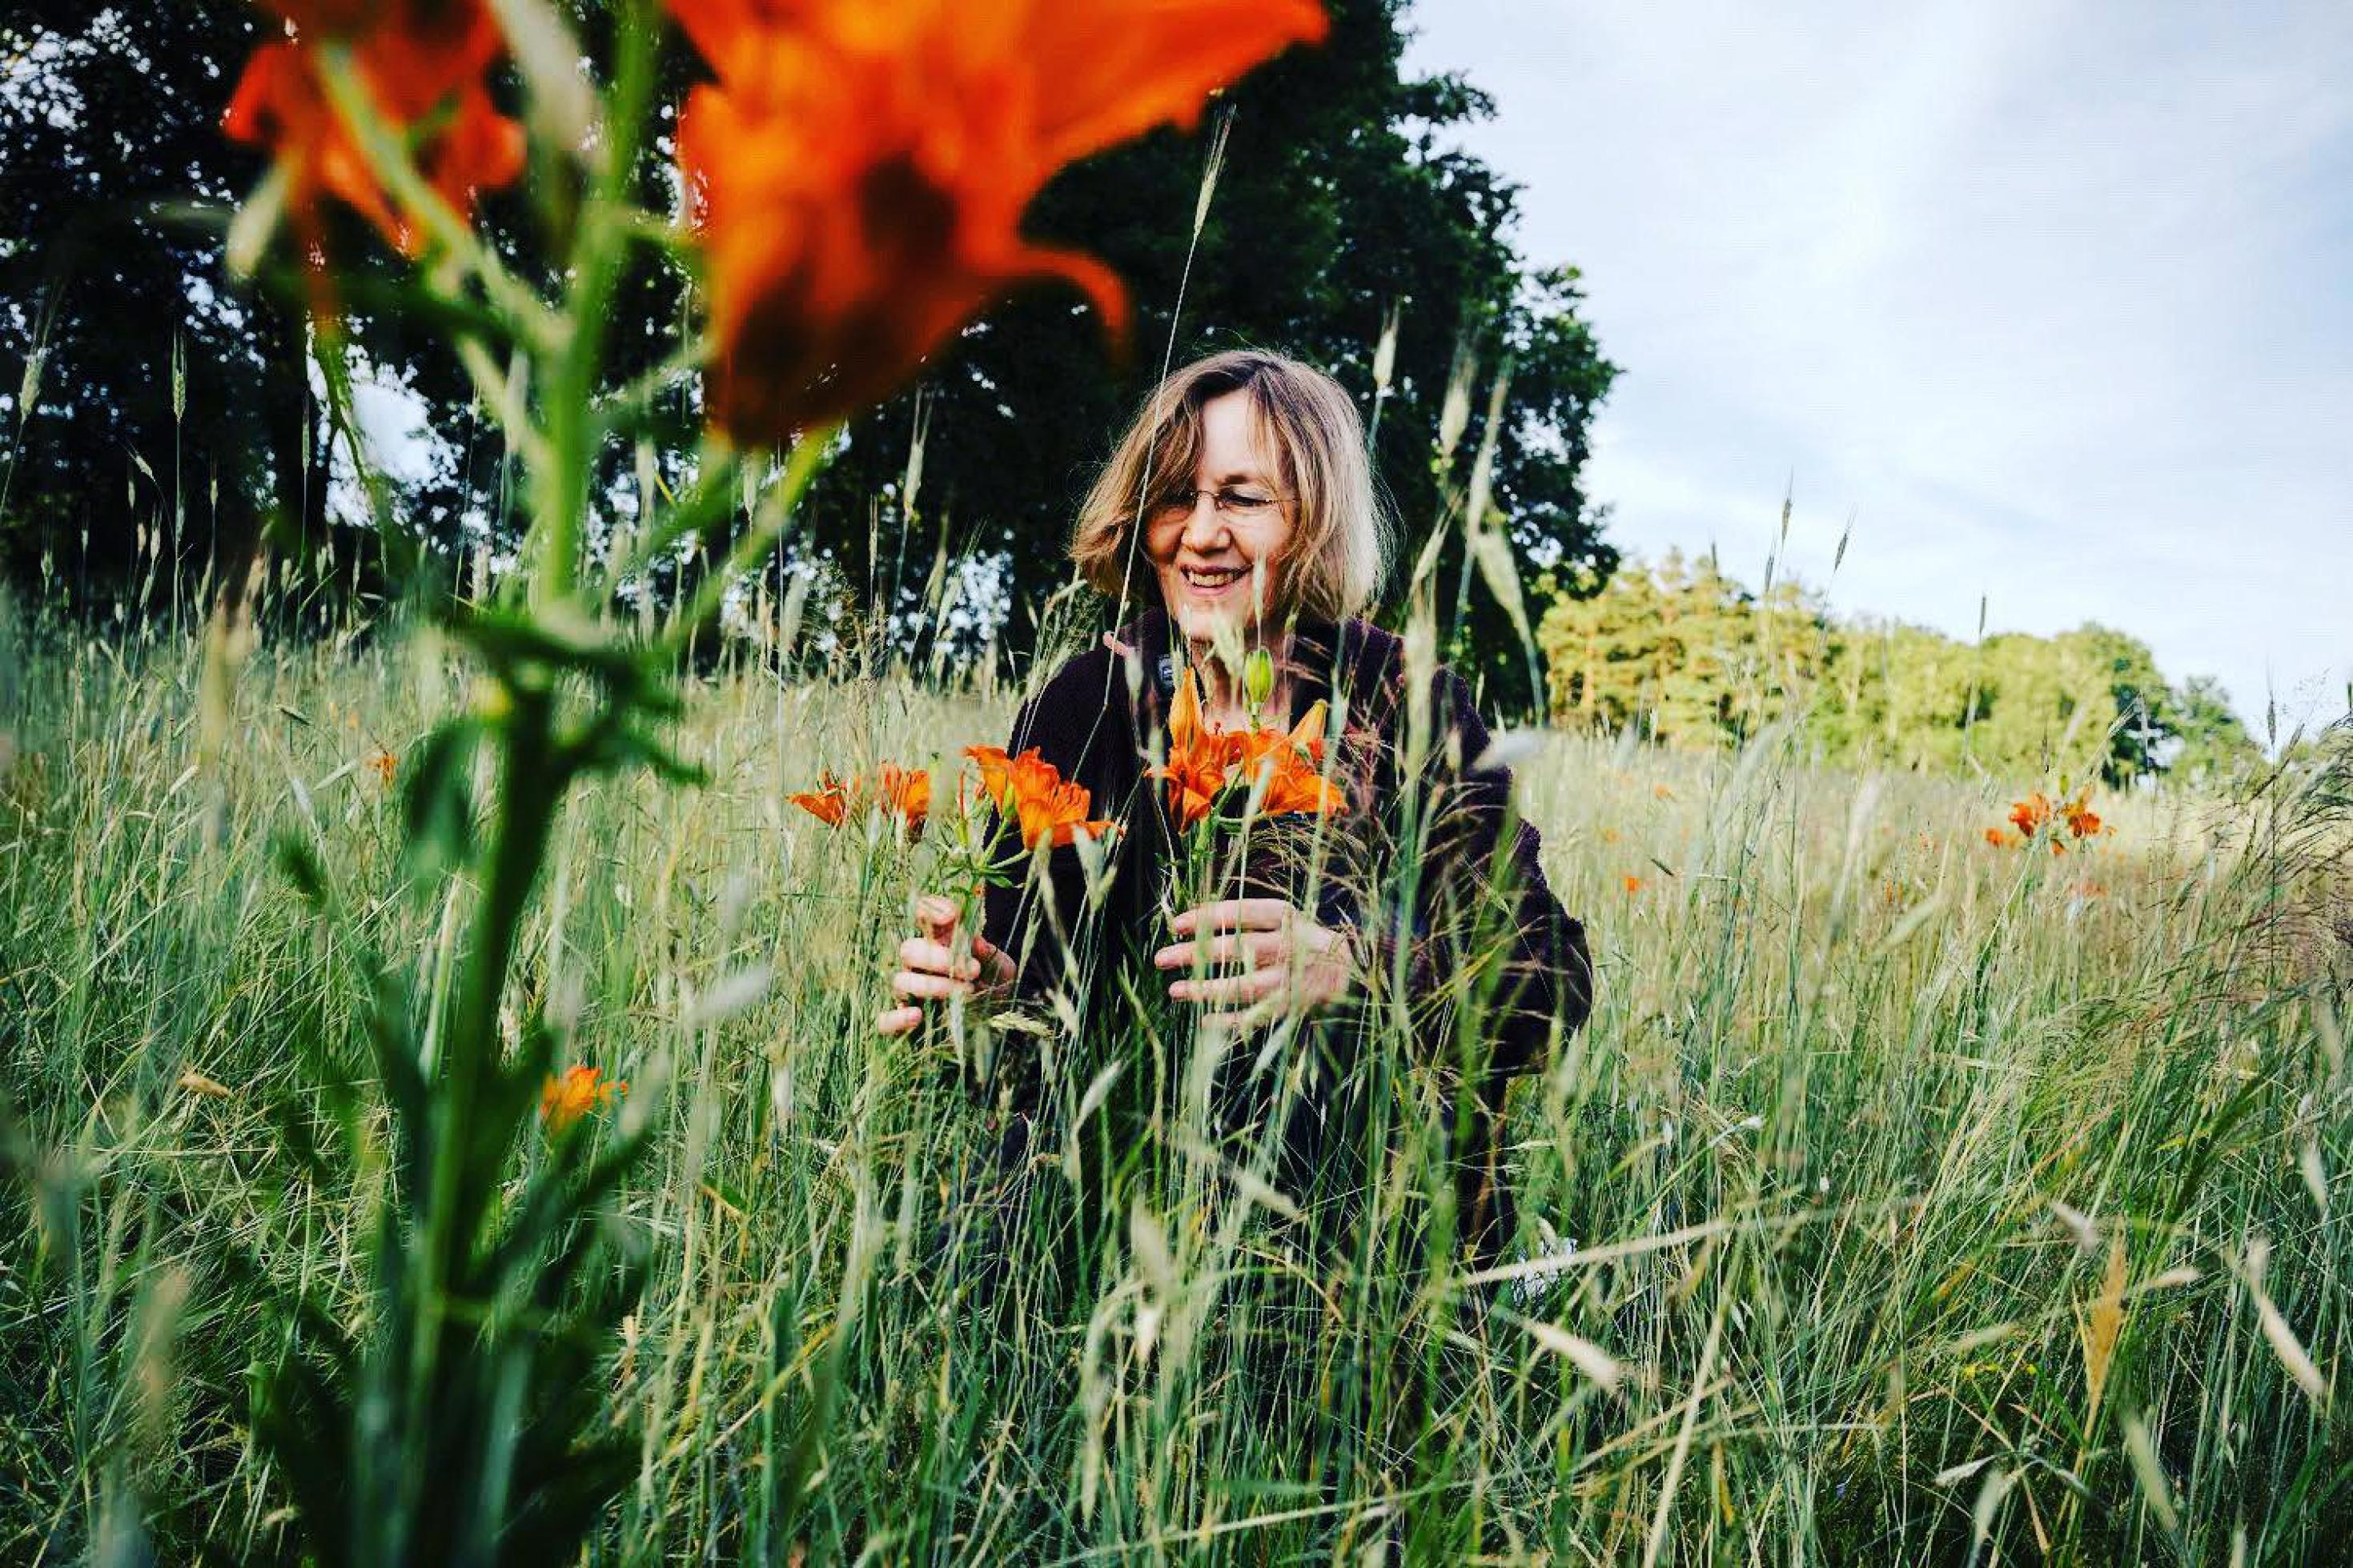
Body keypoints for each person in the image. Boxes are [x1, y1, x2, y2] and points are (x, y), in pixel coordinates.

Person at [877, 347, 1592, 1273]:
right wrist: (983, 995)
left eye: (1242, 499)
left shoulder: (1401, 704)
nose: (1199, 534)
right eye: (1176, 497)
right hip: (1105, 1188)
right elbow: (1032, 1022)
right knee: (948, 1282)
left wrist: (1354, 970)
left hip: (1351, 1213)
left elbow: (1551, 979)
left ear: (1315, 516)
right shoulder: (1085, 702)